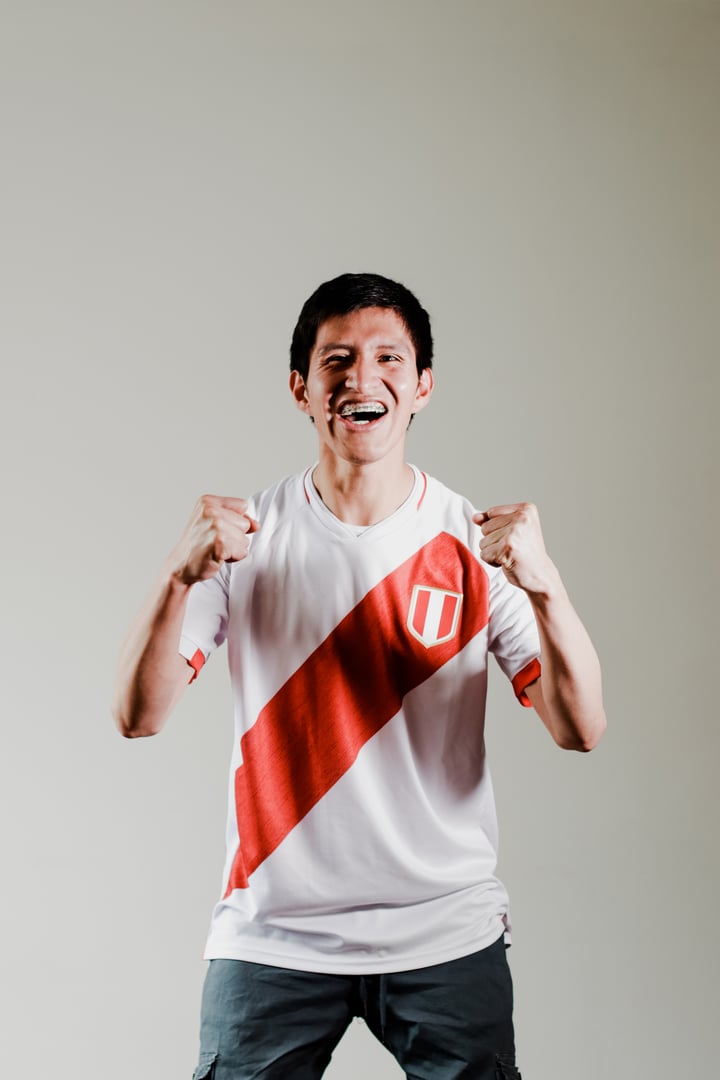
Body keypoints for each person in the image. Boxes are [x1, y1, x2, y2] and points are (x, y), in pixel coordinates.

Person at [113, 272, 606, 1080]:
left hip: (444, 931)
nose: (361, 378)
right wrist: (176, 575)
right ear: (302, 389)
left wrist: (545, 585)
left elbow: (580, 728)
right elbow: (139, 714)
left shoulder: (472, 544)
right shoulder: (246, 539)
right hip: (274, 933)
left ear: (422, 388)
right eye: (336, 360)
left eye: (388, 359)